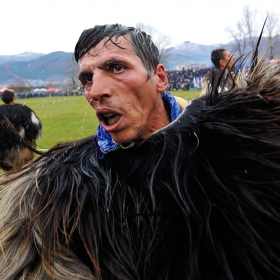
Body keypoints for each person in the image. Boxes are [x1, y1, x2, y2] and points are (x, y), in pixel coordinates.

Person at [1, 24, 280, 280]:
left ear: (159, 78)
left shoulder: (237, 138)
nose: (95, 90)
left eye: (116, 67)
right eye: (87, 77)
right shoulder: (59, 193)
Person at [0, 89, 42, 171]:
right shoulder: (23, 109)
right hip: (21, 150)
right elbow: (34, 126)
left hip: (2, 153)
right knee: (22, 174)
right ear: (13, 98)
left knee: (8, 173)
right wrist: (30, 140)